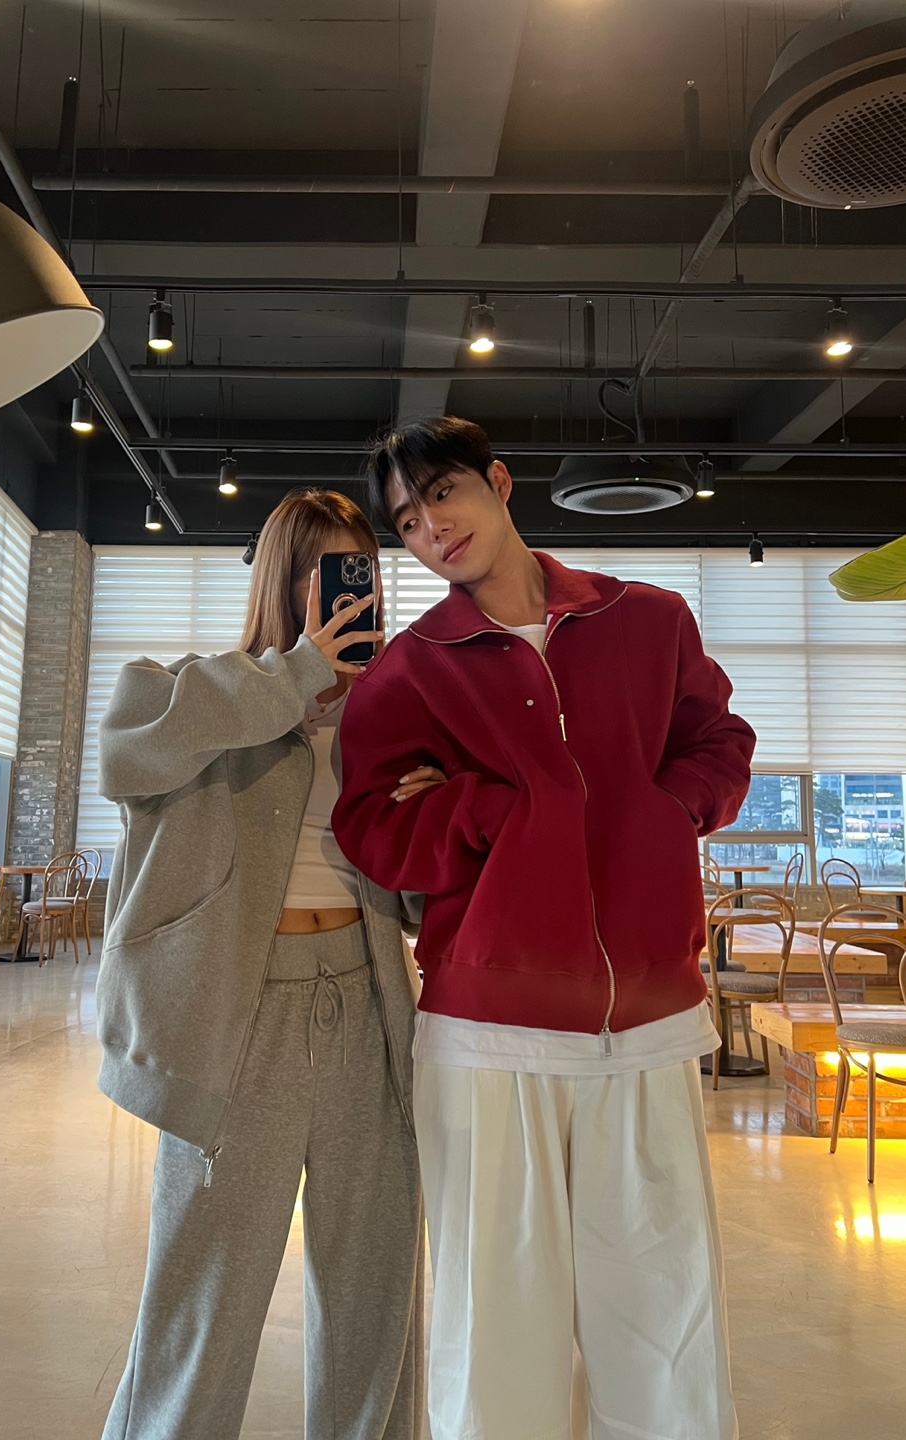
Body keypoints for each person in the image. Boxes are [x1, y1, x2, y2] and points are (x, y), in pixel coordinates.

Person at [332, 417, 755, 1440]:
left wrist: (664, 812)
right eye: (407, 521)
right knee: (495, 1327)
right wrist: (486, 811)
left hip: (647, 1022)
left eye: (443, 494)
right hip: (488, 1034)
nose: (431, 529)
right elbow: (372, 824)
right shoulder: (410, 670)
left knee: (663, 1316)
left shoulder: (648, 620)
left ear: (499, 482)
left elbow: (719, 740)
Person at [95, 489, 424, 1440]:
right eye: (326, 570)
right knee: (205, 1299)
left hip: (369, 1008)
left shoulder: (387, 720)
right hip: (236, 1022)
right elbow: (124, 754)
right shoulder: (193, 692)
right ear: (285, 579)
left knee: (375, 1303)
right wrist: (302, 672)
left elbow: (411, 894)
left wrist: (431, 804)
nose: (347, 590)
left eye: (361, 570)